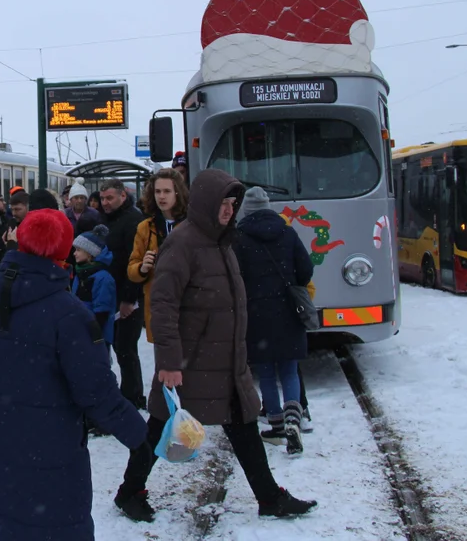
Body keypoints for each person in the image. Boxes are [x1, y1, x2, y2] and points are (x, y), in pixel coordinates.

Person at [114, 169, 317, 522]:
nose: (229, 209)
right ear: (207, 203)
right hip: (190, 362)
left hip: (225, 359)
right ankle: (129, 492)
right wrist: (169, 361)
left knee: (244, 425)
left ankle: (269, 498)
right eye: (223, 202)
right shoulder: (183, 243)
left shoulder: (223, 242)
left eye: (233, 203)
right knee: (161, 425)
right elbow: (163, 305)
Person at [0, 209, 150, 540]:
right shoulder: (69, 314)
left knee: (1, 525)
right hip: (53, 454)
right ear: (63, 252)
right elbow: (97, 393)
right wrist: (142, 438)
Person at [233, 187, 314, 455]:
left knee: (266, 372)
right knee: (289, 370)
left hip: (256, 314)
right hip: (287, 310)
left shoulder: (239, 237)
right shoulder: (287, 232)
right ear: (268, 207)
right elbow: (306, 268)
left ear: (246, 210)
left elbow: (235, 277)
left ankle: (277, 424)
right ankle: (294, 419)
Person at [99, 179, 146, 410]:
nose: (105, 203)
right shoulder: (107, 220)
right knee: (121, 348)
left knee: (126, 348)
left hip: (128, 298)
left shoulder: (133, 221)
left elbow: (134, 263)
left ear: (122, 196)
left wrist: (130, 299)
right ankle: (130, 394)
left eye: (110, 198)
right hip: (111, 295)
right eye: (102, 198)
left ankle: (133, 397)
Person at [128, 168, 189, 343]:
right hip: (158, 307)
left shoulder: (191, 224)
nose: (161, 196)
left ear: (178, 192)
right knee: (163, 366)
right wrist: (142, 268)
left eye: (167, 191)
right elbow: (131, 269)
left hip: (187, 306)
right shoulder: (145, 227)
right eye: (157, 191)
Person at [71, 225, 116, 350]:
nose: (74, 253)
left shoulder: (103, 278)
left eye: (78, 250)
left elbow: (102, 311)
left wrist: (95, 336)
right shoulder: (80, 273)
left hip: (94, 336)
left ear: (90, 253)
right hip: (79, 331)